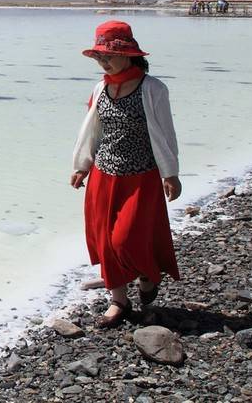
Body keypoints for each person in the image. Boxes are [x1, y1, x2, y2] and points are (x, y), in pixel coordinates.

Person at [69, 20, 182, 328]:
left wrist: (170, 173)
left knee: (126, 239)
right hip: (103, 177)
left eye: (108, 55)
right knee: (105, 242)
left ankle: (148, 278)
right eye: (99, 57)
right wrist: (82, 165)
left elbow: (166, 133)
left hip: (141, 178)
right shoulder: (101, 88)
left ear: (130, 55)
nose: (103, 62)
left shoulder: (153, 89)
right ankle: (119, 300)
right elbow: (93, 130)